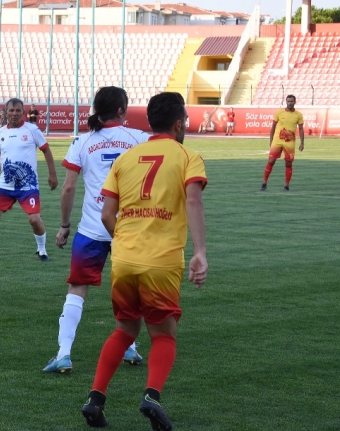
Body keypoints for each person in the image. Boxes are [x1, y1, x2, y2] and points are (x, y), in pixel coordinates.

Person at [81, 92, 208, 430]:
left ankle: (95, 398)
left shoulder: (127, 158)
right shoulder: (187, 156)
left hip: (123, 259)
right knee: (164, 335)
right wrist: (200, 252)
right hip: (161, 260)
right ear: (179, 123)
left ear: (149, 122)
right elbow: (193, 201)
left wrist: (123, 238)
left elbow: (107, 213)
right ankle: (151, 396)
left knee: (124, 328)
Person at [43, 87, 149, 374]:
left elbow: (68, 188)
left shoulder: (82, 141)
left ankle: (64, 353)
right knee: (128, 286)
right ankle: (130, 346)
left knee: (77, 288)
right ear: (120, 110)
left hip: (91, 229)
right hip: (128, 228)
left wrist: (65, 225)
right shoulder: (140, 139)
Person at [0, 97, 58, 262]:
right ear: (6, 112)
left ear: (23, 112)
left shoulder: (32, 130)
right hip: (5, 185)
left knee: (34, 219)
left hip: (28, 184)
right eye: (11, 110)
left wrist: (52, 174)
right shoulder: (1, 132)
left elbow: (46, 151)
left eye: (18, 111)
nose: (14, 114)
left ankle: (42, 250)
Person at [261, 95, 304, 191]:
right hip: (277, 141)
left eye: (292, 101)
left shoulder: (298, 115)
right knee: (271, 161)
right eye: (288, 101)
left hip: (290, 142)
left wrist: (302, 143)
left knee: (288, 163)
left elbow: (301, 129)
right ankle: (264, 182)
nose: (290, 103)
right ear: (286, 102)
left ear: (295, 102)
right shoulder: (279, 112)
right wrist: (271, 140)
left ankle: (286, 185)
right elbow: (273, 127)